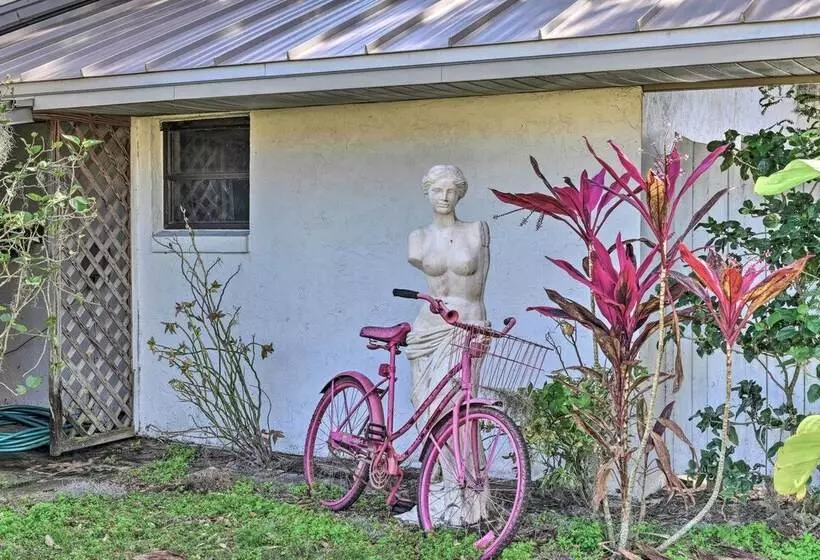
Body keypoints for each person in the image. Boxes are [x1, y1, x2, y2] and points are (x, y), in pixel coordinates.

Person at [400, 164, 490, 525]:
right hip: (428, 328)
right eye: (438, 190)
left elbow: (481, 284)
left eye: (452, 190)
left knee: (459, 407)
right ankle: (441, 485)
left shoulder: (476, 231)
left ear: (460, 194)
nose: (445, 196)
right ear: (427, 193)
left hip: (466, 323)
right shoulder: (417, 238)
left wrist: (480, 327)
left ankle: (465, 492)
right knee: (426, 404)